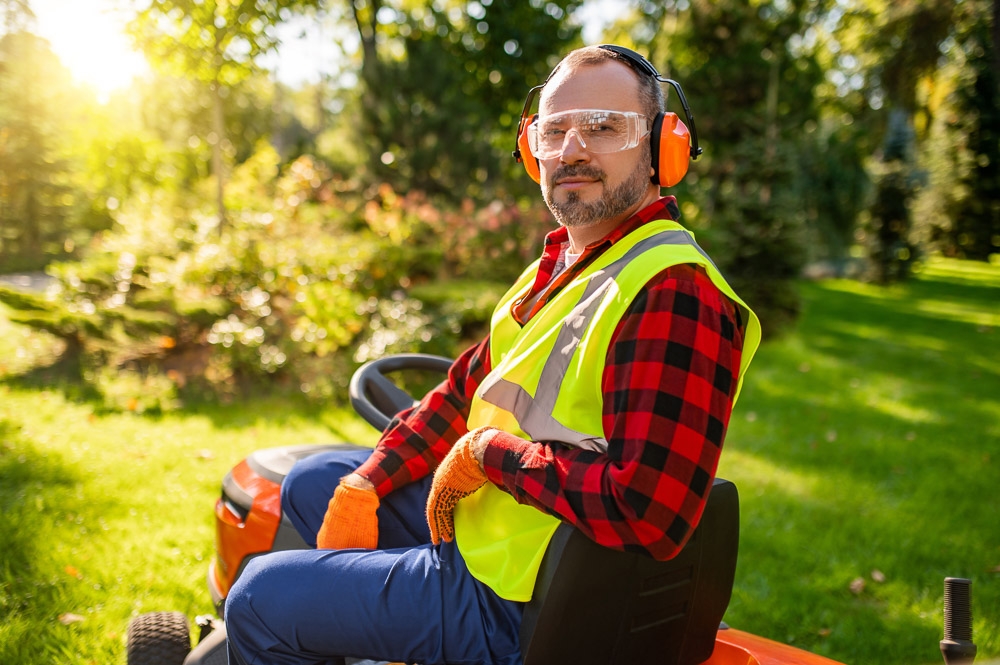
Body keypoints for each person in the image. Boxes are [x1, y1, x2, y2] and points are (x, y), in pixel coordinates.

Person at [225, 44, 761, 665]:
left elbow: (650, 512)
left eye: (603, 127)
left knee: (258, 599)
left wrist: (491, 454)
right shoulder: (560, 269)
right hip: (501, 534)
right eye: (553, 130)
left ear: (662, 149)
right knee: (315, 481)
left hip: (522, 603)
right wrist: (368, 479)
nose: (571, 149)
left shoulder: (672, 290)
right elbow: (463, 390)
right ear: (532, 150)